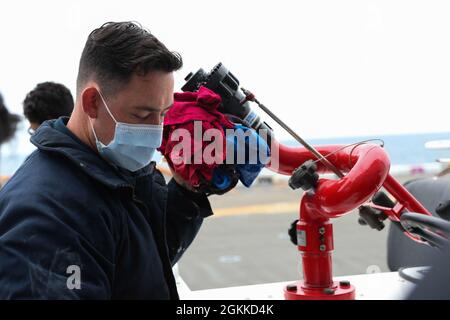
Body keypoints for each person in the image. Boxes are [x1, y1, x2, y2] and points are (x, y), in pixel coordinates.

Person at [0, 21, 219, 299]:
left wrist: (186, 188)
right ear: (92, 102)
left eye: (163, 114)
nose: (155, 132)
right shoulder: (46, 216)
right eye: (142, 115)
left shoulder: (118, 172)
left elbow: (141, 261)